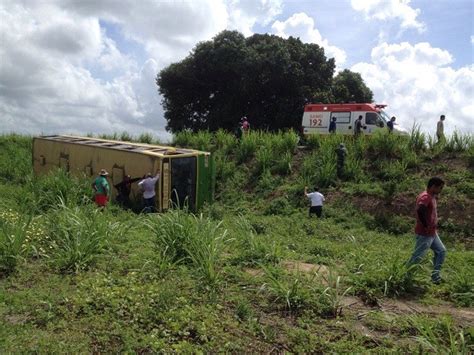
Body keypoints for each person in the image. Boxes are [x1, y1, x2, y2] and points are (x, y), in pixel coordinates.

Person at [407, 177, 446, 284]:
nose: (441, 190)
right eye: (440, 188)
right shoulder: (426, 196)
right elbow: (420, 209)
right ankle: (406, 276)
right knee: (418, 256)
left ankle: (435, 277)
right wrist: (426, 225)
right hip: (425, 233)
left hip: (432, 233)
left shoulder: (432, 196)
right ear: (433, 186)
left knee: (441, 251)